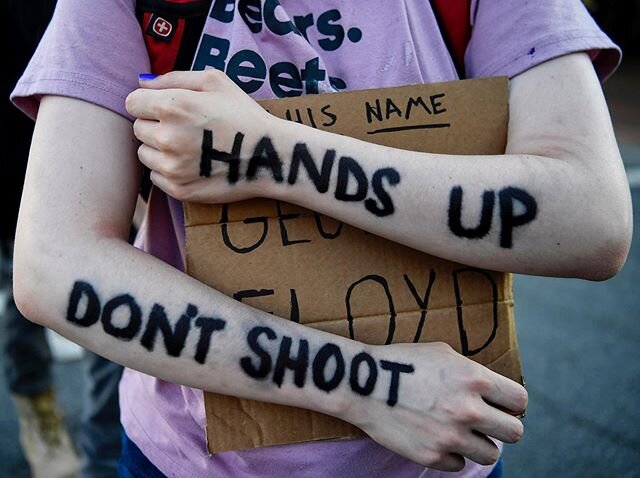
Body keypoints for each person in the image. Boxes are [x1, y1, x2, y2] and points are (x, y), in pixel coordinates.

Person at [10, 0, 632, 477]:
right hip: (185, 459)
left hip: (441, 455)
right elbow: (54, 262)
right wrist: (369, 387)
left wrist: (271, 155)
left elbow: (594, 220)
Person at [3, 2, 124, 477]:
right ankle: (36, 407)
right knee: (28, 289)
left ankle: (102, 454)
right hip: (16, 155)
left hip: (96, 137)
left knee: (104, 297)